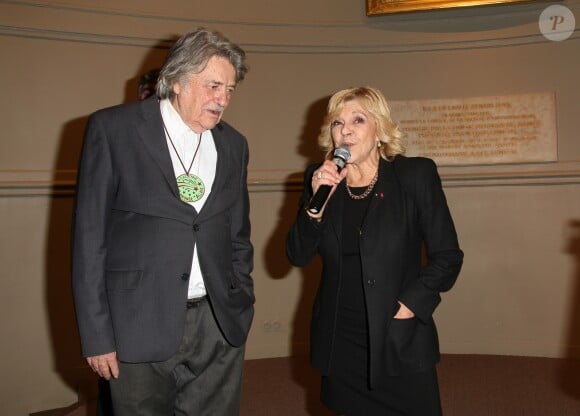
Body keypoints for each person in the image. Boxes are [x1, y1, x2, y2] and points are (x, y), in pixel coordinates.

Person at [72, 28, 255, 415]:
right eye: (213, 86)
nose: (222, 99)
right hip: (137, 324)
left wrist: (241, 302)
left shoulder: (234, 145)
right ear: (176, 80)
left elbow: (239, 237)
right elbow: (89, 242)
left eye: (230, 89)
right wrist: (96, 335)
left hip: (217, 323)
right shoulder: (114, 130)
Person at [286, 86, 464, 415]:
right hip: (341, 339)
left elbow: (448, 256)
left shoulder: (415, 175)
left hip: (397, 333)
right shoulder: (319, 179)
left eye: (358, 120)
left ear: (380, 129)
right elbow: (297, 255)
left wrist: (411, 305)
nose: (346, 130)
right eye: (337, 123)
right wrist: (316, 207)